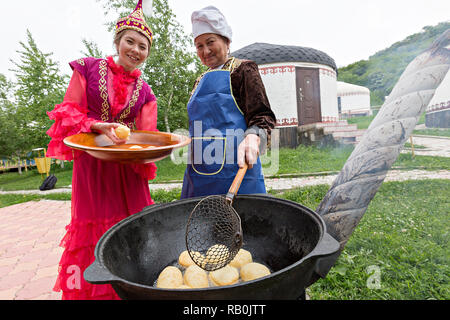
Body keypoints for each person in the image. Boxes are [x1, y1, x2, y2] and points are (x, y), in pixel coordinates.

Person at [46, 0, 157, 300]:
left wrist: (153, 147)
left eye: (142, 46)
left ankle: (132, 290)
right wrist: (97, 126)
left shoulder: (146, 92)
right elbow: (67, 112)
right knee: (93, 231)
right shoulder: (87, 68)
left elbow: (148, 137)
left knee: (131, 228)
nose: (135, 49)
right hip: (92, 166)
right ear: (117, 41)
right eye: (130, 42)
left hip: (127, 172)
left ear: (147, 52)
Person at [181, 6, 276, 199]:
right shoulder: (199, 80)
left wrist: (253, 137)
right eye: (199, 46)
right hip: (198, 174)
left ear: (226, 40)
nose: (205, 51)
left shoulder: (243, 70)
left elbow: (262, 115)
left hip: (237, 172)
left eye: (210, 42)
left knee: (244, 223)